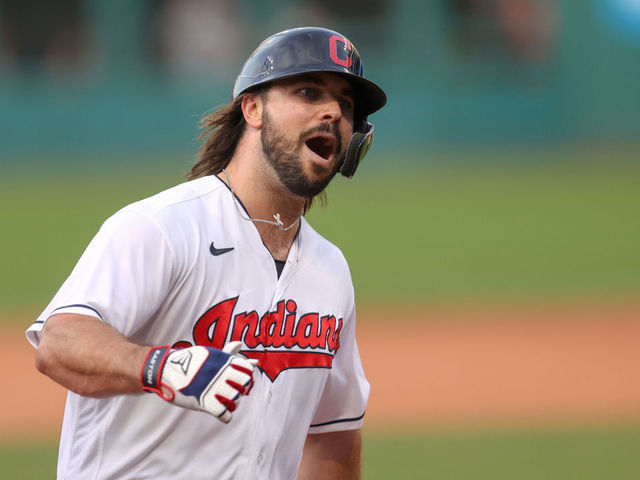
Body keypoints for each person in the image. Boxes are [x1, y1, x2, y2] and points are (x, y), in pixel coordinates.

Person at [27, 26, 386, 479]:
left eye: (346, 104)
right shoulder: (163, 227)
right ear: (253, 108)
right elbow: (59, 342)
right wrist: (156, 364)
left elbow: (332, 436)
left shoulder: (329, 271)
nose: (333, 111)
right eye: (308, 91)